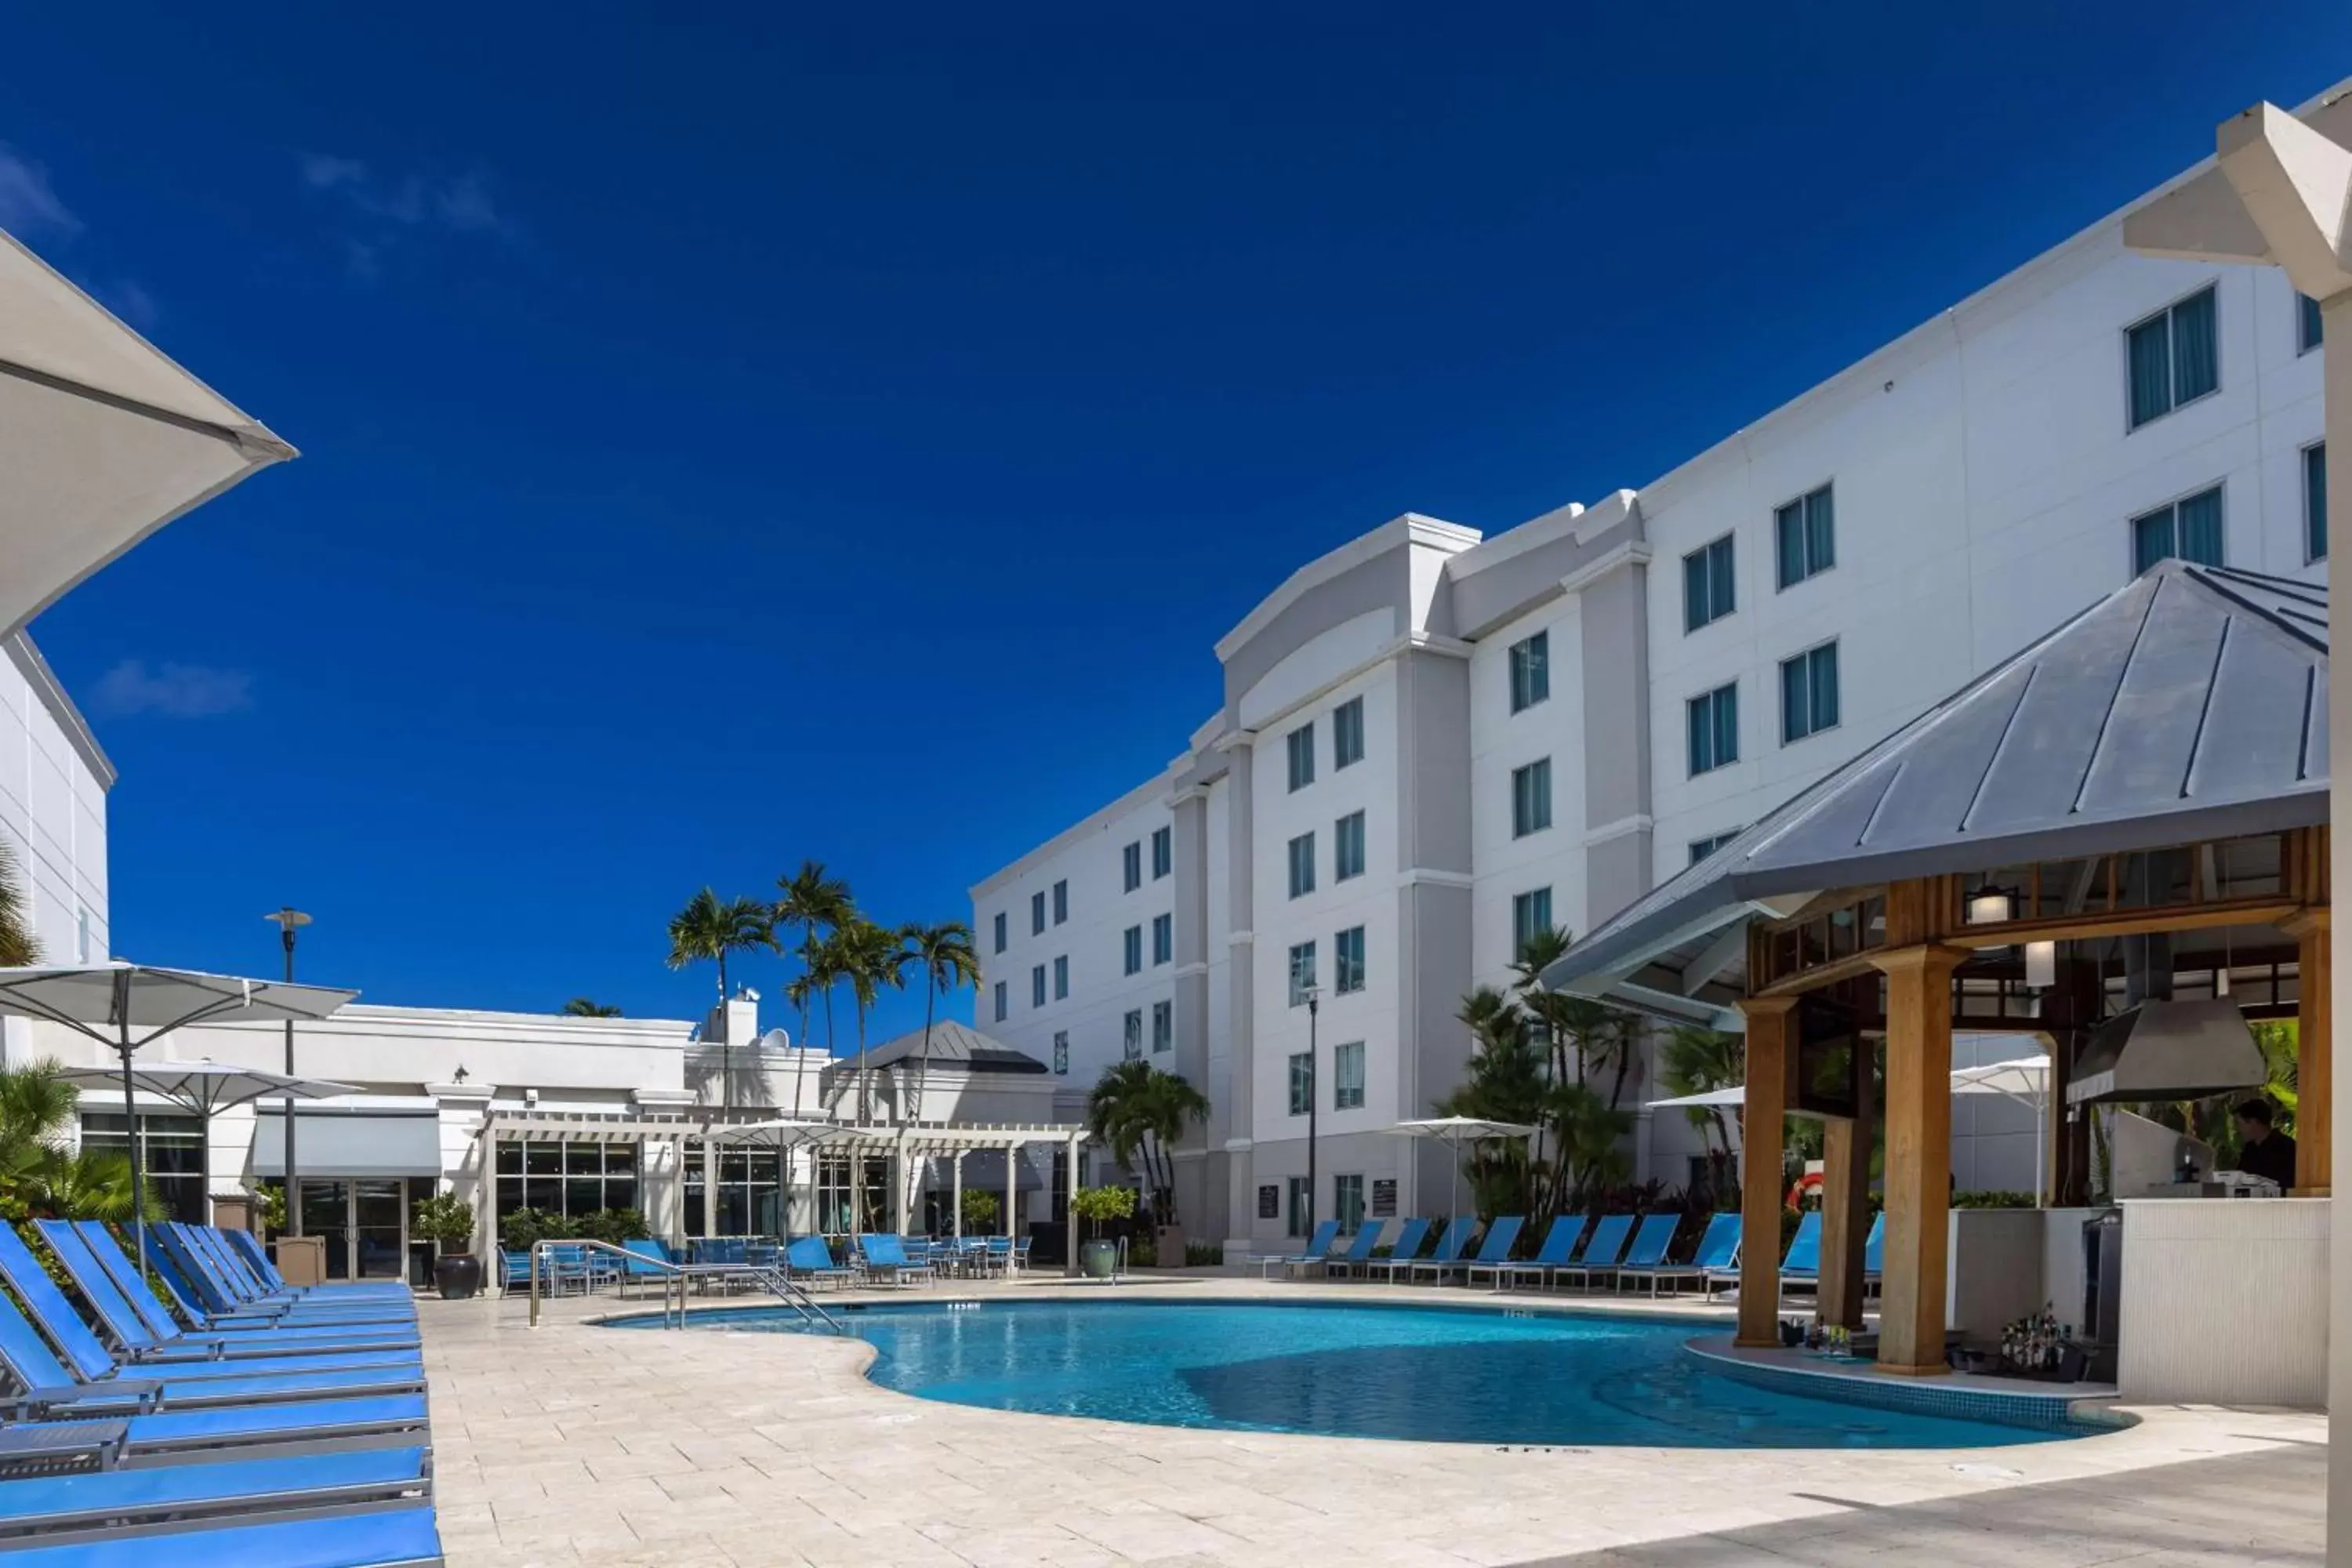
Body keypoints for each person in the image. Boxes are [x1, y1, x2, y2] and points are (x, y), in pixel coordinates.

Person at [2233, 1099, 2297, 1190]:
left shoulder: (2287, 1148)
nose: (2237, 1129)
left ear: (2254, 1122)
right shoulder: (2250, 1150)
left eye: (2239, 1124)